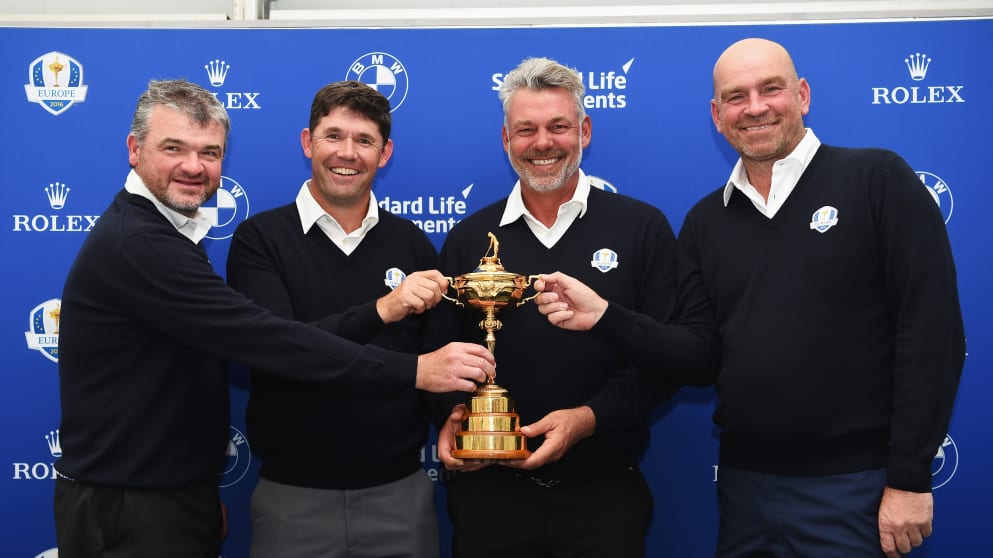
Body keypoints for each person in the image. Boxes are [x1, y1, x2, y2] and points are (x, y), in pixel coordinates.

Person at [534, 38, 965, 558]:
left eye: (770, 89)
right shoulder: (705, 221)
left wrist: (910, 478)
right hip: (744, 493)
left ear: (802, 95)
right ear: (717, 116)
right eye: (736, 97)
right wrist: (606, 317)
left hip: (857, 488)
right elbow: (699, 358)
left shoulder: (878, 179)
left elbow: (932, 334)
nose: (755, 107)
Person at [53, 78, 495, 558]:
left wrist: (192, 496)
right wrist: (410, 358)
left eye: (209, 152)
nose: (193, 166)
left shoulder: (164, 235)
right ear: (134, 149)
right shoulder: (145, 243)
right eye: (173, 148)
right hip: (135, 502)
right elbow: (273, 343)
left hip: (167, 494)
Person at [425, 57, 680, 557]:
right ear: (506, 139)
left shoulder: (641, 228)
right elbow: (437, 352)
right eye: (526, 129)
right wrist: (453, 415)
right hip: (488, 497)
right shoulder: (470, 239)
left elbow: (667, 358)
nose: (542, 142)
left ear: (584, 130)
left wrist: (588, 418)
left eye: (558, 126)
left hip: (604, 495)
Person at [226, 81, 445, 558]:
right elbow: (281, 352)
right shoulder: (260, 240)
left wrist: (457, 417)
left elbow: (436, 361)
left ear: (385, 153)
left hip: (400, 496)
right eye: (334, 136)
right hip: (293, 500)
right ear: (308, 142)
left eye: (364, 140)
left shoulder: (412, 244)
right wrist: (383, 309)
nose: (347, 153)